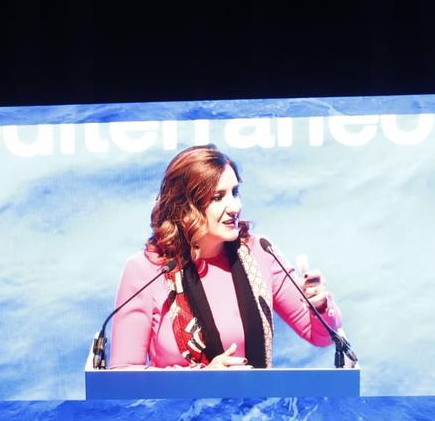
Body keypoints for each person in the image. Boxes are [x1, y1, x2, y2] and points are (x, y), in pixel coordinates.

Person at [110, 144, 343, 369]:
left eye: (235, 192)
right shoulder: (144, 270)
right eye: (218, 197)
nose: (235, 206)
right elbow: (123, 373)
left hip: (257, 408)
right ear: (185, 206)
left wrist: (320, 306)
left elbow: (321, 336)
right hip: (179, 409)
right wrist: (202, 379)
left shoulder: (260, 252)